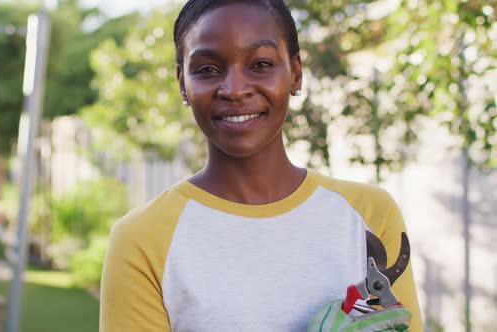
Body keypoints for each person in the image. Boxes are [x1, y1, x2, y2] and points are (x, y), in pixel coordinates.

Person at [99, 0, 423, 331]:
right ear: (183, 83)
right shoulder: (141, 239)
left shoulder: (370, 215)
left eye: (261, 64)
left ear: (296, 74)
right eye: (208, 69)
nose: (235, 90)